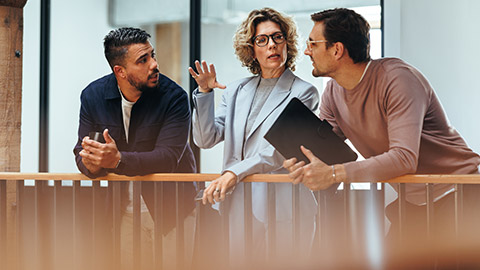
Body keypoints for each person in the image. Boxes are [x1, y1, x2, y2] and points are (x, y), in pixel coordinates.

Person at [283, 7, 480, 260]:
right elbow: (324, 149)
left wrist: (332, 174)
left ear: (337, 49)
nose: (307, 50)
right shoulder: (333, 92)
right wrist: (302, 160)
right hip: (415, 201)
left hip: (460, 194)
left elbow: (404, 158)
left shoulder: (397, 79)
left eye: (312, 43)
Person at [188, 7, 318, 265]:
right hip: (239, 205)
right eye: (263, 40)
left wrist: (233, 172)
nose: (272, 45)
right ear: (251, 49)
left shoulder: (305, 92)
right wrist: (204, 93)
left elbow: (278, 150)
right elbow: (206, 139)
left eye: (278, 37)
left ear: (287, 42)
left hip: (286, 205)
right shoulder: (237, 90)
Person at [73, 27, 197, 269]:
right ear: (119, 71)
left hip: (173, 210)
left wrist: (117, 161)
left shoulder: (174, 98)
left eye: (152, 55)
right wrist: (89, 163)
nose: (154, 64)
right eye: (143, 60)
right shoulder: (92, 96)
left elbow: (168, 157)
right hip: (123, 213)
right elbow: (82, 152)